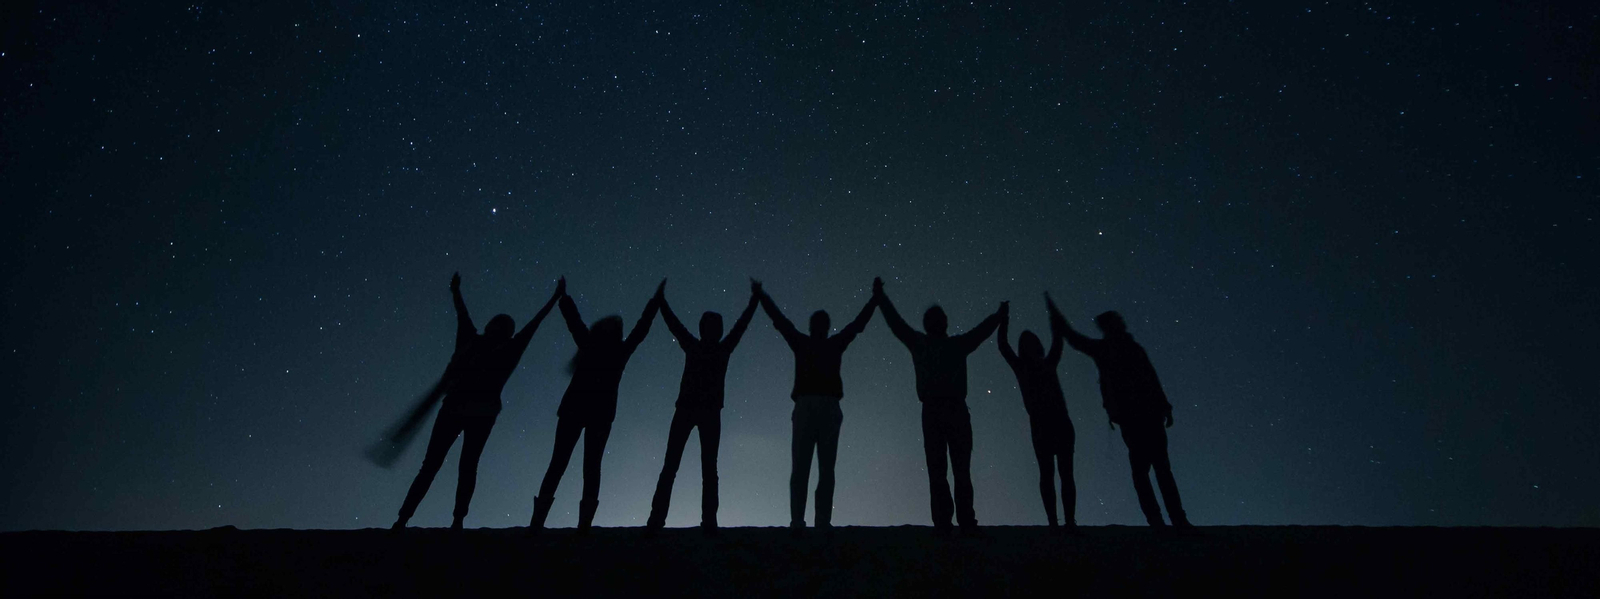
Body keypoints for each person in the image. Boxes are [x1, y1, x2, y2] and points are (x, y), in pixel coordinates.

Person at [393, 273, 564, 530]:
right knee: (449, 466)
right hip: (471, 411)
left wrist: (456, 291)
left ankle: (421, 520)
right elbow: (529, 324)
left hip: (467, 410)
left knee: (446, 466)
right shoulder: (491, 344)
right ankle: (424, 519)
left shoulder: (480, 343)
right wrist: (456, 292)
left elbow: (532, 323)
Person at [528, 280, 662, 534]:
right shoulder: (617, 352)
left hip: (577, 410)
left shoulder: (590, 347)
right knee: (588, 466)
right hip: (595, 414)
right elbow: (640, 330)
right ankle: (582, 525)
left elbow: (574, 322)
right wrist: (654, 303)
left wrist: (564, 298)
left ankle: (539, 522)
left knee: (561, 463)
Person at [873, 277, 1004, 535]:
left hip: (945, 409)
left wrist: (881, 299)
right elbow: (897, 324)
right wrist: (998, 316)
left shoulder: (938, 344)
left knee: (952, 469)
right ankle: (953, 521)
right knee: (945, 469)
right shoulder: (943, 344)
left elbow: (897, 324)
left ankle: (956, 521)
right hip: (941, 410)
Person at [755, 280, 877, 536]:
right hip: (819, 405)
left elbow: (782, 322)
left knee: (811, 467)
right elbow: (856, 326)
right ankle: (811, 521)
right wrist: (874, 300)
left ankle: (805, 521)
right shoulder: (827, 343)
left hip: (815, 405)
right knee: (816, 467)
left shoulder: (809, 343)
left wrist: (763, 297)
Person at [1055, 307, 1192, 530]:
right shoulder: (1113, 348)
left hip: (1143, 415)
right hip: (1136, 416)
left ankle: (1170, 520)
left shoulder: (1120, 348)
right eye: (1117, 320)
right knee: (1152, 471)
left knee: (1152, 471)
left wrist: (1164, 406)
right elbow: (1076, 340)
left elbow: (1150, 376)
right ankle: (1167, 520)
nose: (1122, 321)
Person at [644, 281, 760, 535]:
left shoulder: (703, 347)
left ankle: (662, 519)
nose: (715, 331)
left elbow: (676, 324)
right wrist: (754, 302)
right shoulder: (715, 348)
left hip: (695, 411)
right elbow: (739, 327)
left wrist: (661, 301)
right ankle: (698, 521)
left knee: (682, 466)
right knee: (697, 467)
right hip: (698, 411)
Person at [997, 294, 1075, 531]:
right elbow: (1003, 346)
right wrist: (1004, 320)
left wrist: (1055, 317)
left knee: (1063, 473)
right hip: (1044, 425)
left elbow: (1058, 340)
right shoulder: (1026, 366)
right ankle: (1055, 522)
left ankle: (1068, 521)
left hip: (1058, 423)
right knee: (1050, 474)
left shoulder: (1045, 363)